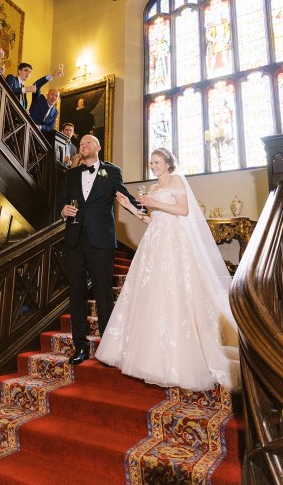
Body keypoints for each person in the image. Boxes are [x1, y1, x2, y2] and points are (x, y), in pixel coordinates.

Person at [95, 147, 240, 392]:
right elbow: (152, 219)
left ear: (168, 163)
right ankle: (150, 357)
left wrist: (153, 203)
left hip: (174, 243)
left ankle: (179, 361)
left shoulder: (176, 180)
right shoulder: (152, 189)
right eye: (151, 162)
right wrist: (130, 207)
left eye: (158, 161)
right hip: (154, 242)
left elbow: (183, 210)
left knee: (173, 295)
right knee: (152, 295)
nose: (154, 166)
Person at [59, 135, 137, 365]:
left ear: (99, 147)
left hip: (101, 242)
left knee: (103, 295)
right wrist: (63, 210)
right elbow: (61, 201)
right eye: (81, 144)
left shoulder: (111, 172)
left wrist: (148, 209)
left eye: (88, 143)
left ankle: (108, 348)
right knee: (76, 295)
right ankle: (80, 347)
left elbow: (125, 197)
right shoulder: (71, 175)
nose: (83, 146)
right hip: (75, 240)